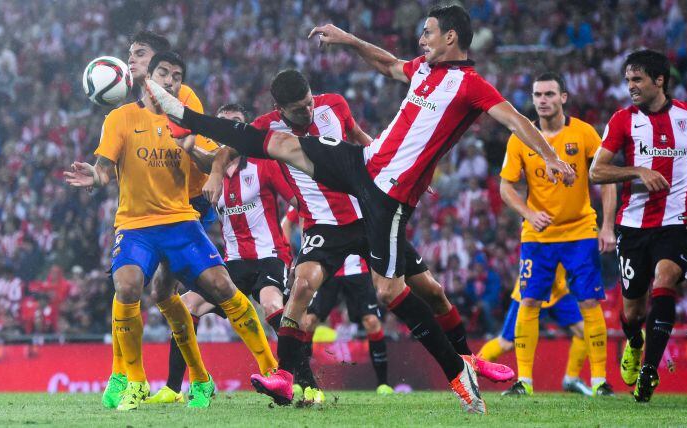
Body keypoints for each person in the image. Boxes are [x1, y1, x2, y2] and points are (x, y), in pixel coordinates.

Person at [147, 5, 573, 413]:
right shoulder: (424, 69)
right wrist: (347, 39)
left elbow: (515, 118)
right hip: (361, 169)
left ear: (451, 36)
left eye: (427, 32)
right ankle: (185, 114)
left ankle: (462, 365)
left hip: (384, 200)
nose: (420, 38)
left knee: (403, 291)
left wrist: (550, 154)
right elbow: (388, 64)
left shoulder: (471, 85)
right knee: (279, 149)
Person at [64, 52, 274, 410]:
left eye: (177, 76)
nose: (170, 81)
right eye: (164, 73)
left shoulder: (187, 120)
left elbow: (215, 164)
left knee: (222, 287)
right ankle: (135, 382)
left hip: (180, 220)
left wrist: (193, 150)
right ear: (150, 76)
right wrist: (94, 178)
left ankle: (273, 372)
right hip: (135, 226)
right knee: (127, 285)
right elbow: (103, 169)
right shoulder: (120, 118)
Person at [145, 104, 295, 404]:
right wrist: (186, 146)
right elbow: (200, 159)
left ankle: (302, 381)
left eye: (236, 124)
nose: (229, 130)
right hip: (234, 264)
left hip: (269, 257)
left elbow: (296, 201)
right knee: (187, 307)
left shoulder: (264, 164)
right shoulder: (211, 173)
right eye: (223, 124)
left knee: (271, 304)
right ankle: (175, 389)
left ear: (246, 128)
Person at [589, 49, 687, 402]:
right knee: (632, 312)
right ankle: (634, 341)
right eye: (628, 80)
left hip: (678, 222)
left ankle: (649, 371)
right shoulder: (621, 121)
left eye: (637, 79)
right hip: (632, 225)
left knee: (665, 279)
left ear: (659, 80)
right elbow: (596, 172)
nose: (630, 86)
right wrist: (636, 170)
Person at [498, 72, 616, 396]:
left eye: (550, 94)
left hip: (580, 230)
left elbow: (604, 179)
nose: (543, 101)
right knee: (530, 300)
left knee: (590, 301)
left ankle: (600, 381)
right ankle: (523, 382)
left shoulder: (584, 133)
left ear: (563, 97)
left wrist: (606, 226)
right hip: (538, 237)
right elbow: (505, 186)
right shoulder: (521, 137)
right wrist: (528, 213)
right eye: (538, 95)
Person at [283, 206, 393, 397]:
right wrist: (292, 255)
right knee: (308, 322)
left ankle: (383, 384)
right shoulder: (310, 189)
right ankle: (301, 380)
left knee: (372, 322)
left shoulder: (355, 185)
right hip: (325, 266)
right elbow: (286, 224)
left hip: (358, 269)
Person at [478, 264, 593, 396]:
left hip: (557, 291)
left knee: (584, 332)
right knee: (506, 343)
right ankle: (471, 371)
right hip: (530, 290)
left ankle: (571, 379)